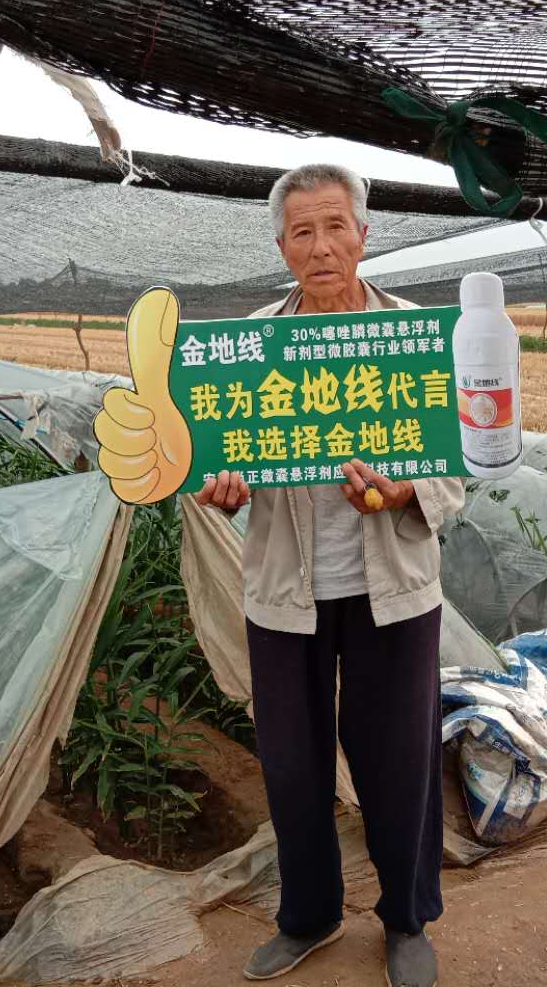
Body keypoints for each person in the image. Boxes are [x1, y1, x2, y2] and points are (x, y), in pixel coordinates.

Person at [195, 163, 464, 986]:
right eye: (302, 233)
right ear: (282, 248)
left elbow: (454, 464)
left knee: (401, 760)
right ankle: (308, 916)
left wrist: (407, 489)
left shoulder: (412, 337)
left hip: (395, 588)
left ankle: (407, 918)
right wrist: (223, 486)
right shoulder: (249, 348)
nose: (321, 247)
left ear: (364, 236)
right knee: (292, 764)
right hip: (286, 592)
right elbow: (223, 458)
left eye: (335, 227)